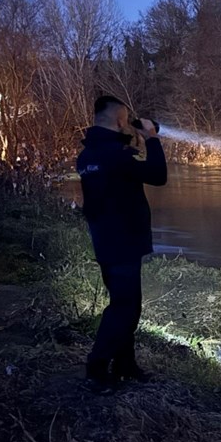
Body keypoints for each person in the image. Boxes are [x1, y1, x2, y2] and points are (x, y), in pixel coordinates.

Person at [76, 95, 167, 390]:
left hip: (105, 239)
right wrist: (151, 139)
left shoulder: (89, 154)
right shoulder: (114, 155)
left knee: (126, 304)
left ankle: (125, 364)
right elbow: (157, 175)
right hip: (123, 239)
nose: (127, 123)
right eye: (125, 119)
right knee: (124, 308)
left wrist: (131, 140)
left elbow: (116, 180)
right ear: (118, 119)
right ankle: (97, 368)